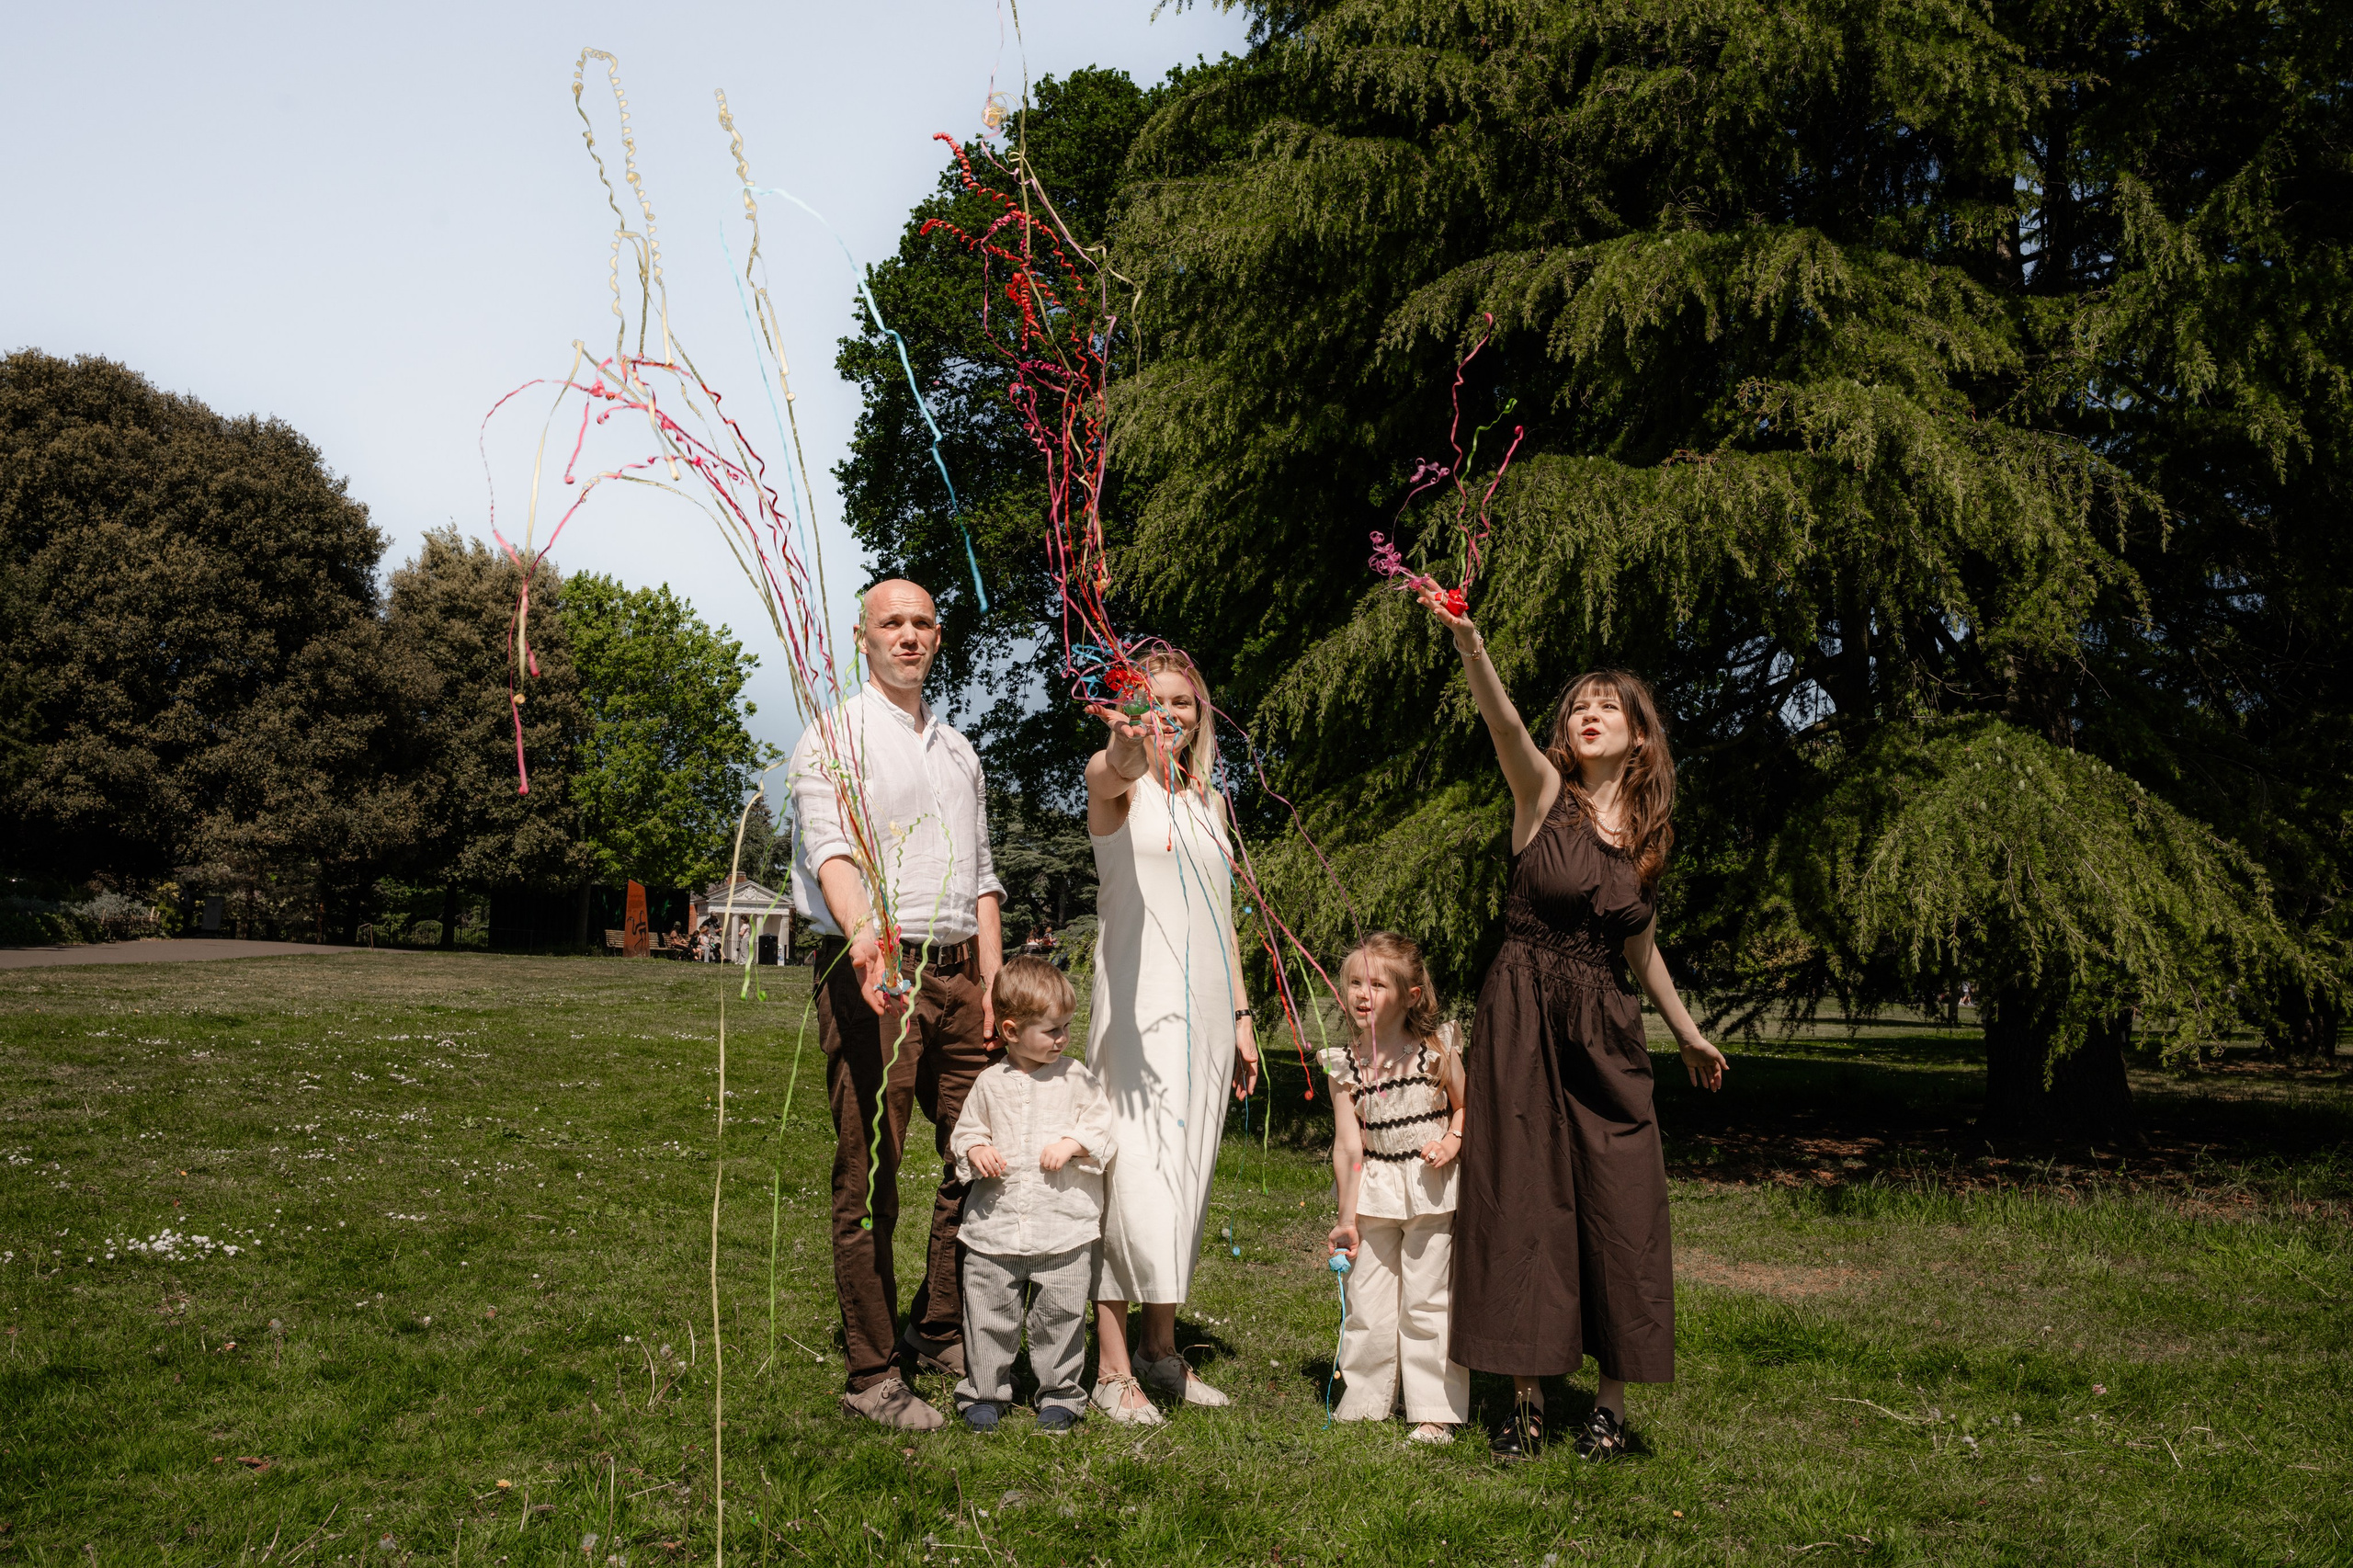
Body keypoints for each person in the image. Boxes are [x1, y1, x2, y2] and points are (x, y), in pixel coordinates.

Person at [1417, 585, 1729, 1460]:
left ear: (1638, 734)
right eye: (1579, 706)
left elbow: (1641, 950)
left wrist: (1688, 1030)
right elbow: (1506, 727)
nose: (1589, 714)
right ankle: (1521, 1399)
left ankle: (1610, 1410)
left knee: (1621, 1201)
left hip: (1606, 1027)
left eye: (1608, 707)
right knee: (1522, 1196)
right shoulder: (1541, 795)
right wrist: (1472, 647)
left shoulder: (1645, 836)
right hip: (1521, 1015)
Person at [789, 578, 1006, 1432]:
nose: (908, 636)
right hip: (875, 970)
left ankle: (937, 1324)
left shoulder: (959, 750)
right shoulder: (832, 736)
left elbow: (984, 875)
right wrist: (866, 934)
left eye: (922, 623)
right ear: (863, 639)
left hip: (961, 980)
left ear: (937, 636)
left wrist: (992, 981)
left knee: (976, 1163)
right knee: (870, 1177)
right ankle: (872, 1372)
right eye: (892, 624)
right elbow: (830, 847)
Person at [1082, 649, 1261, 1423]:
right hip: (1137, 1005)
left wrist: (1246, 1019)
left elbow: (1222, 918)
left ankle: (1161, 1351)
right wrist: (1128, 740)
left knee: (1185, 1173)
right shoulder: (1115, 785)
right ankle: (1112, 1368)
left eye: (1184, 703)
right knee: (1134, 1175)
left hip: (1210, 1012)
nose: (1172, 715)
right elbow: (1112, 768)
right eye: (1156, 701)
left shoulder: (1210, 803)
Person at [948, 955, 1116, 1433]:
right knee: (988, 1315)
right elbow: (966, 1132)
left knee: (1059, 1316)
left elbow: (1101, 1126)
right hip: (995, 1228)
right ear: (1011, 1030)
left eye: (1066, 1027)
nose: (1062, 1039)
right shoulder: (989, 1083)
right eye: (1051, 1031)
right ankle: (983, 1391)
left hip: (1062, 1226)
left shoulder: (1075, 1077)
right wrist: (976, 1149)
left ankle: (1061, 1393)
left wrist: (1073, 1143)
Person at [1323, 931, 1471, 1444]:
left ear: (1410, 994)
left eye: (1378, 984)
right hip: (1375, 1192)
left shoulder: (1435, 1050)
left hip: (1430, 1188)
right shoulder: (1345, 1063)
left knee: (1428, 1297)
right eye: (1355, 982)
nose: (1363, 993)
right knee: (1367, 1297)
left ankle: (1434, 1409)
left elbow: (1467, 1107)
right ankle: (1366, 1397)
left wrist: (1453, 1140)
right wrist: (1347, 1217)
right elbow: (1348, 1146)